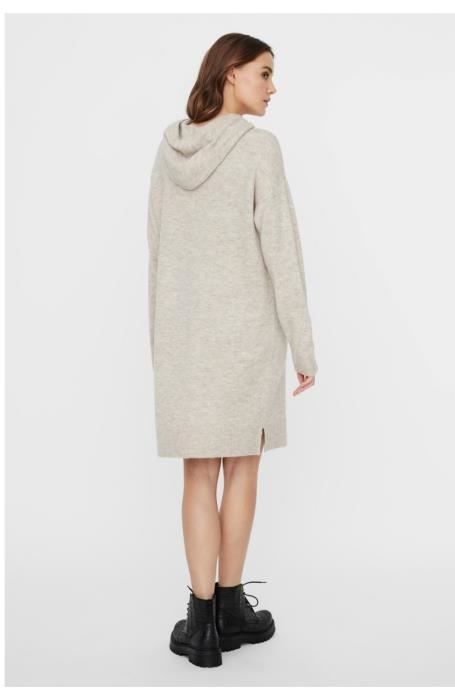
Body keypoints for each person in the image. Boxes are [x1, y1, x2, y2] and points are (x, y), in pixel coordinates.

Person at [146, 32, 318, 667]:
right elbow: (283, 255)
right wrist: (303, 345)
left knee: (198, 472)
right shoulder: (258, 149)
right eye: (264, 73)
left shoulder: (167, 150)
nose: (273, 87)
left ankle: (201, 628)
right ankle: (230, 607)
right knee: (242, 467)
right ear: (230, 74)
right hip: (245, 340)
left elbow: (155, 253)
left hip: (183, 342)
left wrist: (162, 346)